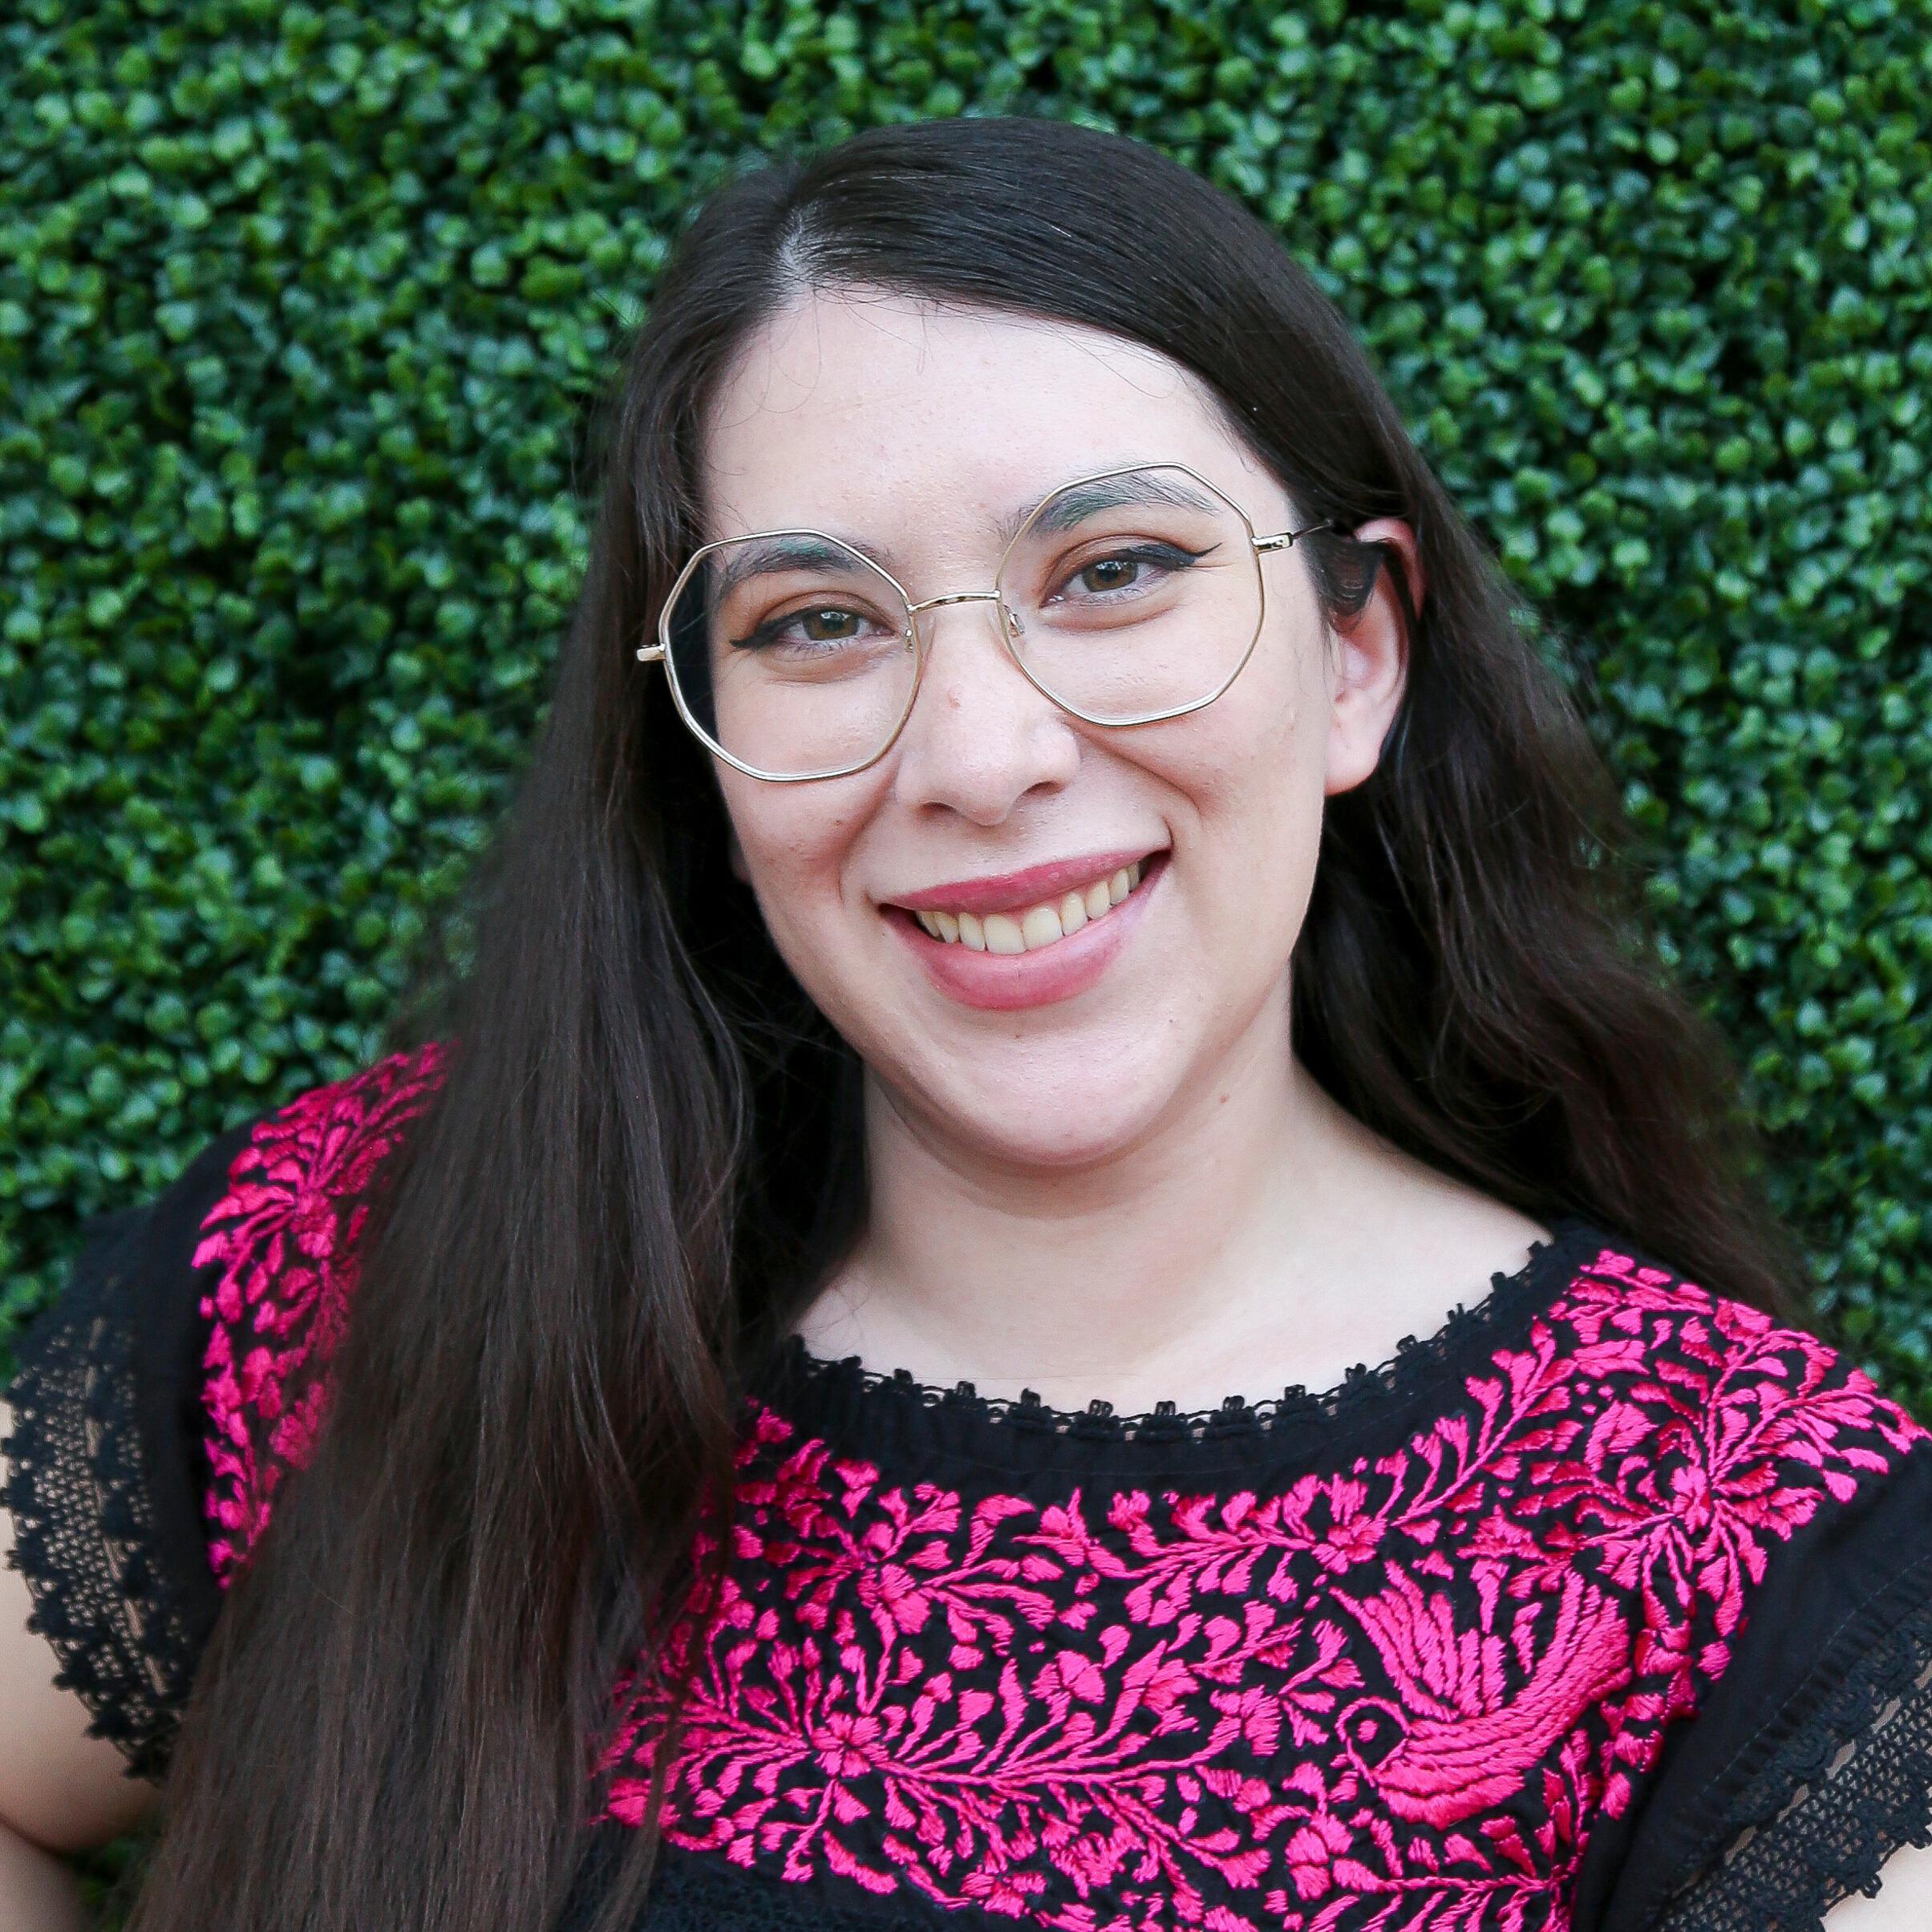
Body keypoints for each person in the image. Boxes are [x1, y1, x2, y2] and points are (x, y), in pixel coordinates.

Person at [2, 114, 1928, 1932]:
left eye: (1113, 573)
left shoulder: (1715, 1537)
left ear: (1353, 657)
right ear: (707, 747)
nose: (979, 756)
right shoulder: (369, 1254)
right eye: (817, 621)